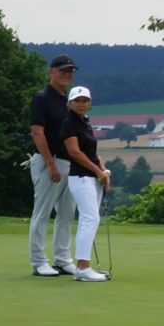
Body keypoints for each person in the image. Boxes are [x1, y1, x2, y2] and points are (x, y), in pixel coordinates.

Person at [27, 54, 80, 277]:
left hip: (68, 163)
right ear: (51, 71)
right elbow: (37, 133)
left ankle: (63, 259)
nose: (67, 74)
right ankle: (39, 261)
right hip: (49, 162)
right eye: (63, 70)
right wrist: (50, 164)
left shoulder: (67, 100)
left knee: (67, 214)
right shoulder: (42, 98)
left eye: (70, 71)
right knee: (42, 213)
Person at [59, 84, 112, 283]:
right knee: (90, 219)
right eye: (77, 101)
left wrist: (103, 170)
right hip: (81, 178)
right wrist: (98, 172)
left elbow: (92, 153)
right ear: (69, 103)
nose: (81, 104)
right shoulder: (68, 123)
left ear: (89, 103)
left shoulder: (85, 123)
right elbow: (75, 153)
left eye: (84, 101)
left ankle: (83, 267)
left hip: (91, 177)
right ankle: (82, 268)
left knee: (88, 220)